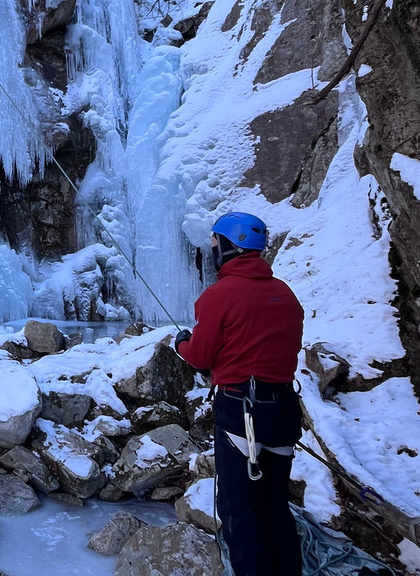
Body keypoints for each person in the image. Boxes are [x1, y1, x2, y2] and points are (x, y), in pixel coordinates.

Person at [174, 211, 304, 576]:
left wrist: (182, 343)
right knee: (275, 505)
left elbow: (201, 358)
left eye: (215, 243)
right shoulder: (285, 294)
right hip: (283, 408)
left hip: (242, 411)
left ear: (230, 246)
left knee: (239, 510)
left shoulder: (220, 295)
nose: (212, 250)